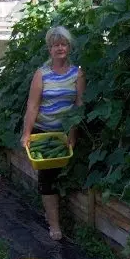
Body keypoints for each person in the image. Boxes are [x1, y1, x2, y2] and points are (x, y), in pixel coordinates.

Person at [20, 26, 85, 241]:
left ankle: (75, 220)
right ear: (50, 49)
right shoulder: (42, 74)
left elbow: (78, 106)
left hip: (65, 134)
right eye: (55, 44)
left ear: (69, 47)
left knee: (68, 175)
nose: (60, 48)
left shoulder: (77, 73)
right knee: (47, 178)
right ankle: (55, 225)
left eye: (63, 44)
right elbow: (32, 106)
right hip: (44, 133)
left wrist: (73, 135)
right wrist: (27, 134)